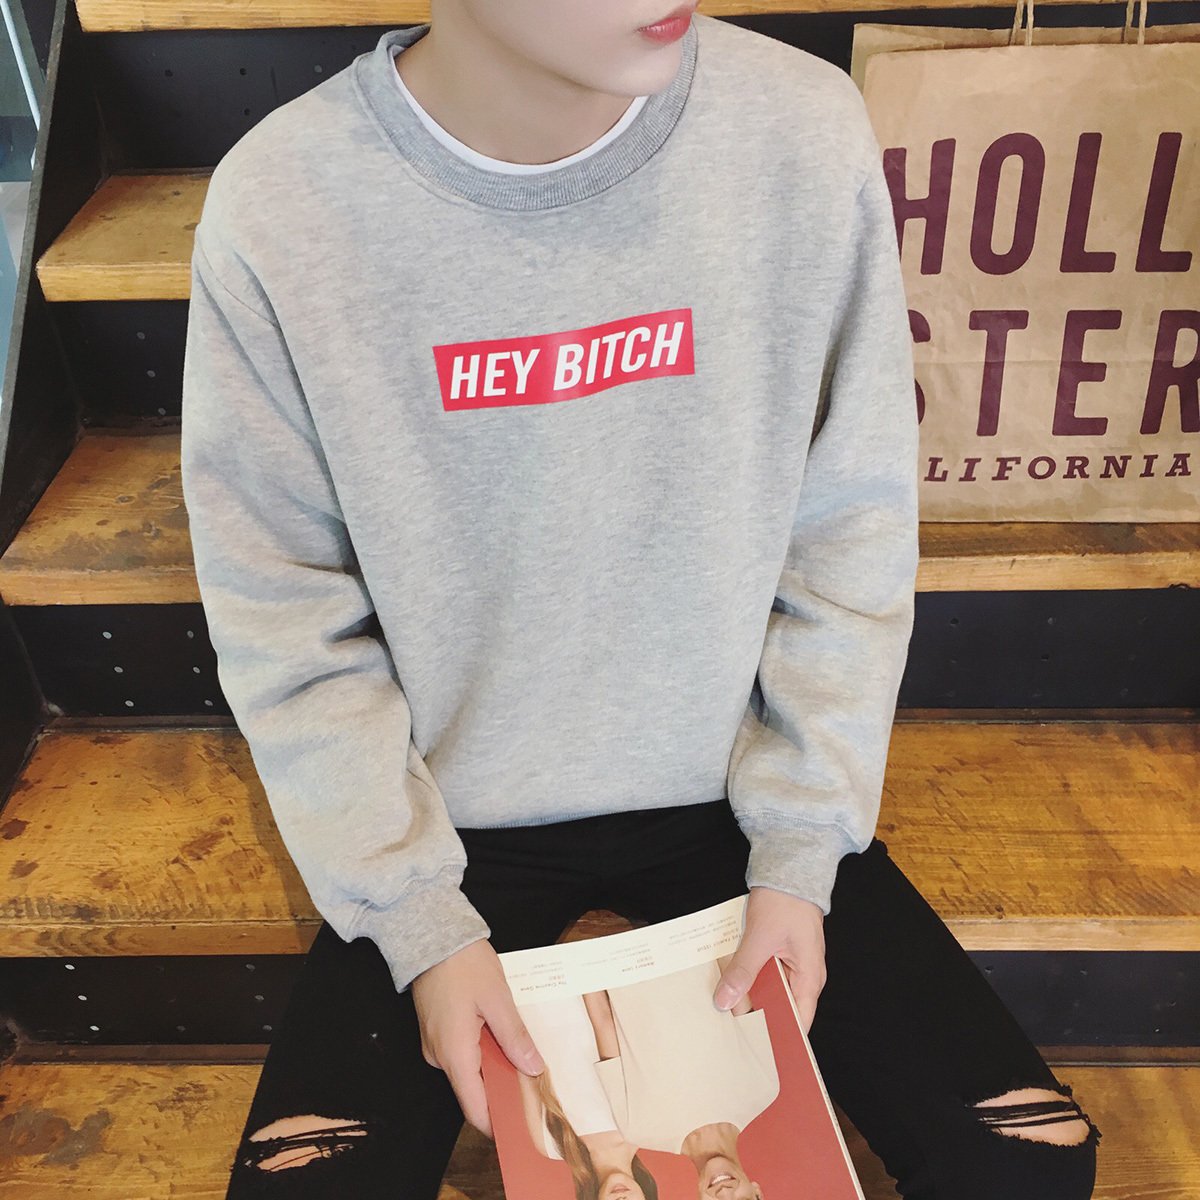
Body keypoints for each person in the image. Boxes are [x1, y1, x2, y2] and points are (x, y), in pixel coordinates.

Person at [178, 3, 1102, 1197]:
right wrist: (418, 920)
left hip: (737, 793)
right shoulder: (281, 204)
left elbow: (849, 524)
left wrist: (799, 852)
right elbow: (286, 613)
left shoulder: (799, 131)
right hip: (451, 814)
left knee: (1028, 1162)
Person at [517, 993, 660, 1199]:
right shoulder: (646, 1122)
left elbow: (523, 1061)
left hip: (526, 996)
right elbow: (612, 1022)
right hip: (582, 988)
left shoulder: (550, 1145)